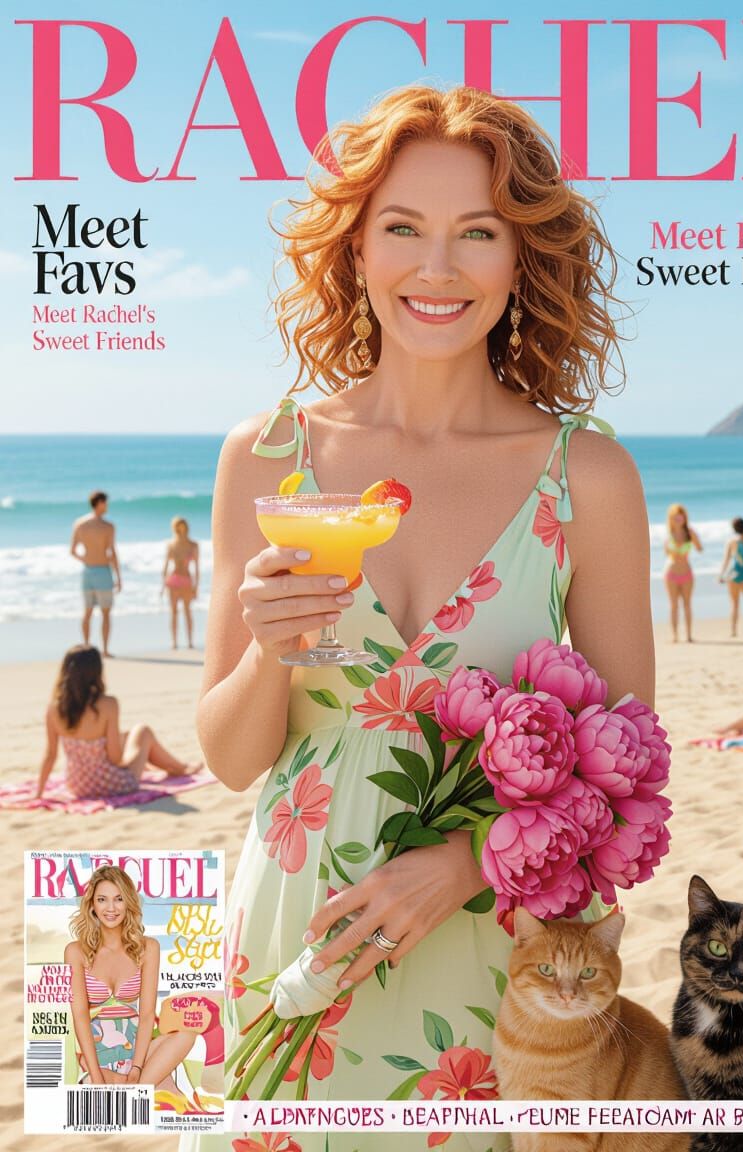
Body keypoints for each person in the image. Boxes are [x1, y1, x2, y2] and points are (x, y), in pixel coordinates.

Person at [187, 85, 652, 1150]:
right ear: (354, 248)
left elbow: (629, 775)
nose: (436, 269)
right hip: (290, 940)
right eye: (402, 227)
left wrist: (463, 864)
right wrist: (268, 655)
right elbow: (230, 758)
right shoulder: (265, 456)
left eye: (476, 233)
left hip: (492, 967)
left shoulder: (585, 476)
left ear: (521, 259)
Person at [64, 865, 195, 1097]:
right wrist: (96, 1076)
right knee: (101, 1086)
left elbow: (147, 1015)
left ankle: (135, 1085)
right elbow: (80, 1016)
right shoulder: (75, 952)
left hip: (139, 1052)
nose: (111, 908)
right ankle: (142, 1087)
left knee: (186, 1035)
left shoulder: (148, 948)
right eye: (102, 899)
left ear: (129, 903)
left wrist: (137, 1068)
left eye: (119, 899)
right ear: (92, 904)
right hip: (98, 1055)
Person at [37, 645, 200, 799]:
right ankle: (181, 769)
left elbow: (50, 755)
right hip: (112, 784)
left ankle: (173, 767)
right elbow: (115, 758)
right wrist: (136, 759)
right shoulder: (108, 704)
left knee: (128, 736)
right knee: (143, 731)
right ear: (97, 671)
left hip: (77, 786)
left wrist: (39, 792)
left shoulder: (54, 709)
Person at [71, 490, 121, 657]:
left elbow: (72, 551)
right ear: (99, 503)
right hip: (103, 571)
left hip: (87, 571)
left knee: (87, 612)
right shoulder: (108, 526)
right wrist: (118, 577)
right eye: (105, 502)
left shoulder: (80, 523)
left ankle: (86, 648)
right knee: (105, 613)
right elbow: (112, 553)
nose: (107, 506)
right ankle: (105, 650)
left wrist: (85, 558)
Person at [663, 503, 702, 643]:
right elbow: (666, 554)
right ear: (671, 518)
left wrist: (694, 537)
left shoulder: (689, 533)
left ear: (685, 517)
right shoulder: (669, 535)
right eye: (675, 516)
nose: (678, 519)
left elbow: (699, 549)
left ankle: (689, 635)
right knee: (674, 606)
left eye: (681, 516)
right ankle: (675, 636)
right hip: (671, 574)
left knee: (687, 605)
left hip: (687, 574)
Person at [162, 517, 200, 649]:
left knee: (187, 612)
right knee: (173, 612)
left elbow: (197, 568)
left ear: (186, 528)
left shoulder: (193, 545)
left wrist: (196, 587)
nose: (181, 530)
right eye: (178, 527)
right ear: (175, 529)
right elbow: (165, 566)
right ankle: (174, 642)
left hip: (186, 581)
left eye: (183, 527)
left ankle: (190, 642)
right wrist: (163, 586)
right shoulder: (171, 545)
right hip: (173, 581)